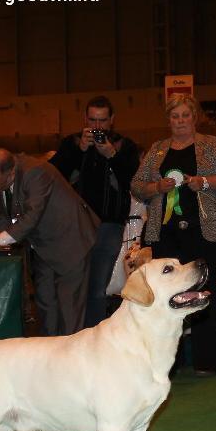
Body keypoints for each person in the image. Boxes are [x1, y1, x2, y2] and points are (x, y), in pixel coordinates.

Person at [131, 93, 216, 376]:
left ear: (195, 117)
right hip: (165, 233)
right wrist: (157, 188)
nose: (180, 121)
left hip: (204, 231)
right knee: (167, 294)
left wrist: (202, 182)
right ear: (168, 119)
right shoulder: (156, 150)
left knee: (205, 291)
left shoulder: (212, 146)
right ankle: (169, 363)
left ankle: (208, 359)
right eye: (174, 116)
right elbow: (136, 186)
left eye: (185, 115)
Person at [0, 148, 99, 337]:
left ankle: (70, 360)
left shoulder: (35, 172)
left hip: (70, 241)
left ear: (10, 173)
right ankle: (48, 352)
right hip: (43, 246)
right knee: (45, 304)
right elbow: (1, 216)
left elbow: (31, 217)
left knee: (69, 308)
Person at [49, 96, 140, 327]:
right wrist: (79, 150)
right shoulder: (72, 143)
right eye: (92, 120)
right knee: (72, 286)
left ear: (112, 120)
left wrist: (112, 155)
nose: (97, 127)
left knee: (98, 288)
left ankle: (92, 341)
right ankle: (70, 338)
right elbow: (52, 175)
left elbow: (136, 181)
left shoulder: (125, 147)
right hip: (74, 226)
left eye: (102, 120)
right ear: (85, 119)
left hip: (109, 226)